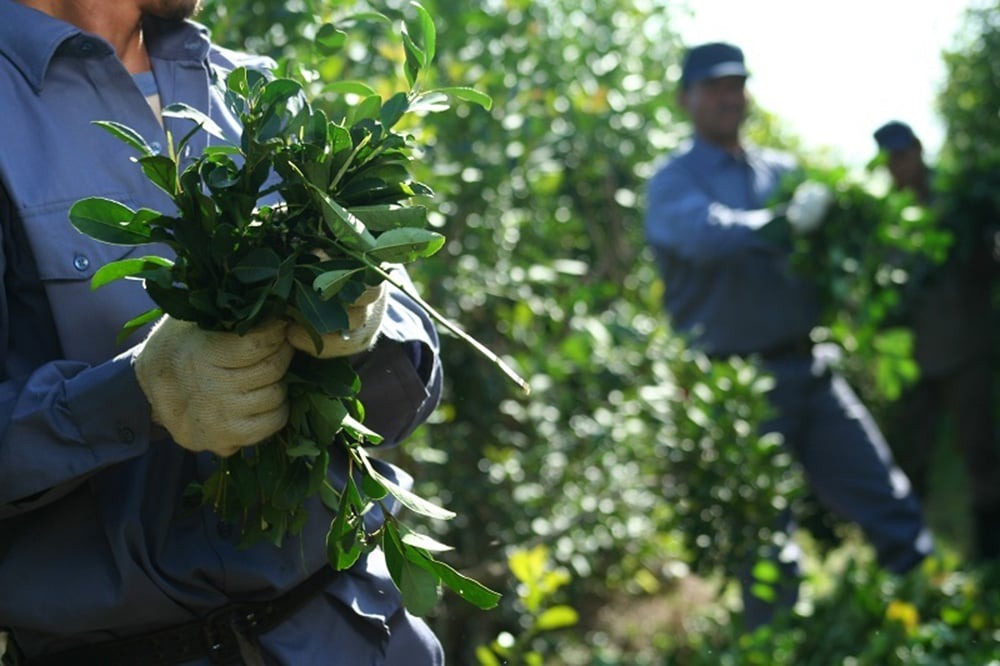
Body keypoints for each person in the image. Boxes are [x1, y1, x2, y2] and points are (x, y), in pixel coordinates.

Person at [0, 1, 445, 664]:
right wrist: (135, 397)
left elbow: (411, 384)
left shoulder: (255, 91)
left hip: (355, 630)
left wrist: (362, 328)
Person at [644, 42, 933, 629]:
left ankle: (928, 611)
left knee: (884, 494)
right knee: (765, 540)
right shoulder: (673, 182)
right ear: (685, 99)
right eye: (714, 87)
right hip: (737, 383)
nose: (729, 97)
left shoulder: (784, 173)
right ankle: (775, 643)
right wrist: (778, 225)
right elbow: (705, 235)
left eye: (737, 85)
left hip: (810, 368)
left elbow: (833, 245)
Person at [873, 120, 1000, 560]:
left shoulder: (960, 204)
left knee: (980, 447)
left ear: (919, 150)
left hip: (967, 347)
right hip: (915, 357)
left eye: (903, 155)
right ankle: (911, 551)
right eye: (891, 160)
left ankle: (989, 550)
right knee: (911, 454)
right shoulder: (885, 219)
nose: (899, 166)